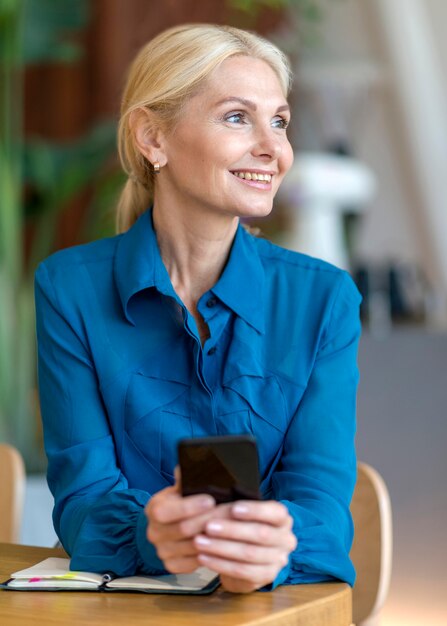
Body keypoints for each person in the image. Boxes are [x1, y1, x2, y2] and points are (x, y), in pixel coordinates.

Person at [35, 23, 361, 594]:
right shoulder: (69, 289)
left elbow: (321, 505)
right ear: (152, 137)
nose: (273, 148)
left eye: (279, 121)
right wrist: (148, 532)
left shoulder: (324, 299)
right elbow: (83, 499)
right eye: (238, 117)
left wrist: (266, 551)